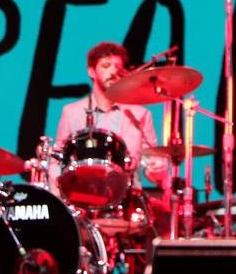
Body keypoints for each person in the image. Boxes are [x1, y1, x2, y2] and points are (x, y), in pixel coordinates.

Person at [53, 41, 168, 201]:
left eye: (117, 67)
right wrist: (58, 197)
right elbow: (57, 160)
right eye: (106, 66)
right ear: (92, 71)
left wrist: (157, 171)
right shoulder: (72, 112)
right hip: (82, 201)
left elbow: (154, 171)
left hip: (127, 204)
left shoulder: (140, 114)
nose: (113, 71)